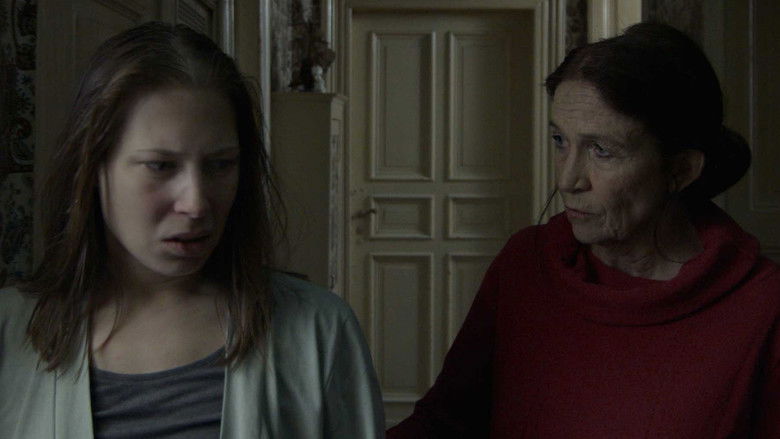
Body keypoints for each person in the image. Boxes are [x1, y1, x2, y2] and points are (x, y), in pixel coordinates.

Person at [387, 22, 780, 438]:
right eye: (560, 141)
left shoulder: (762, 306)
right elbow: (444, 423)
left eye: (601, 150)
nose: (568, 179)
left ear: (680, 170)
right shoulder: (525, 264)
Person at [0, 22, 384, 438]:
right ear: (93, 166)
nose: (197, 204)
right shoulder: (10, 331)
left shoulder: (318, 331)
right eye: (160, 166)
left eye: (221, 165)